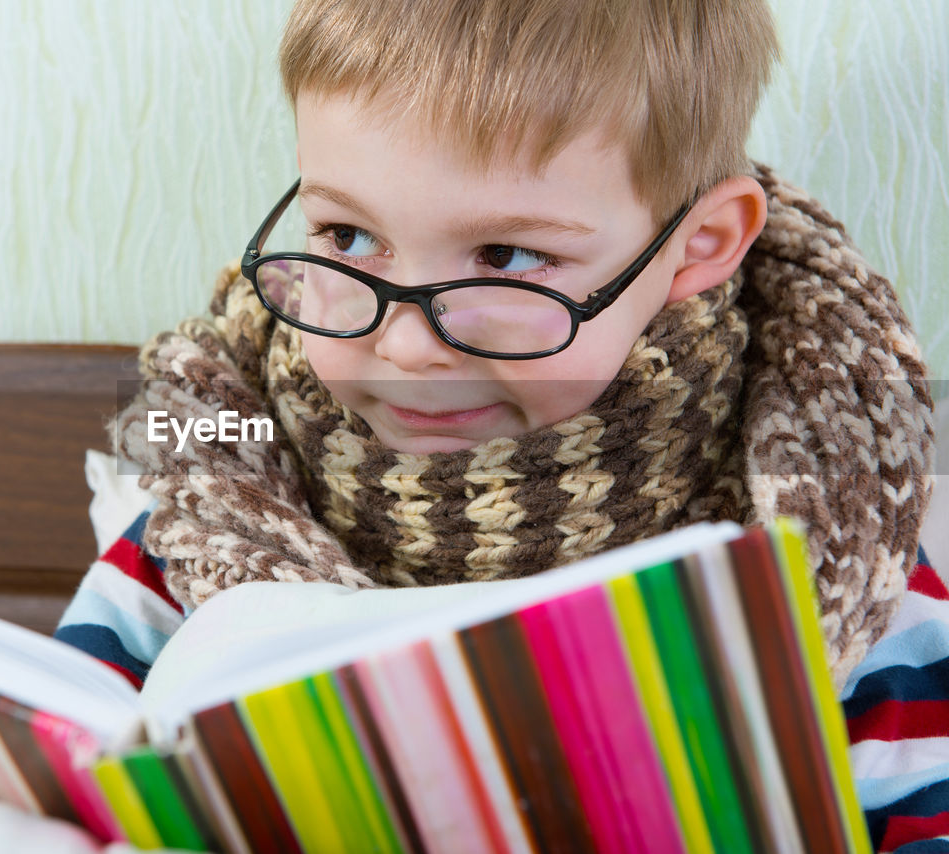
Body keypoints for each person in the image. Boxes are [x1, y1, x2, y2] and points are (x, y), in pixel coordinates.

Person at [57, 0, 939, 848]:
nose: (405, 346)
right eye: (348, 237)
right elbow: (58, 791)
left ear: (697, 245)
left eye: (507, 259)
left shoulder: (843, 553)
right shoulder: (202, 499)